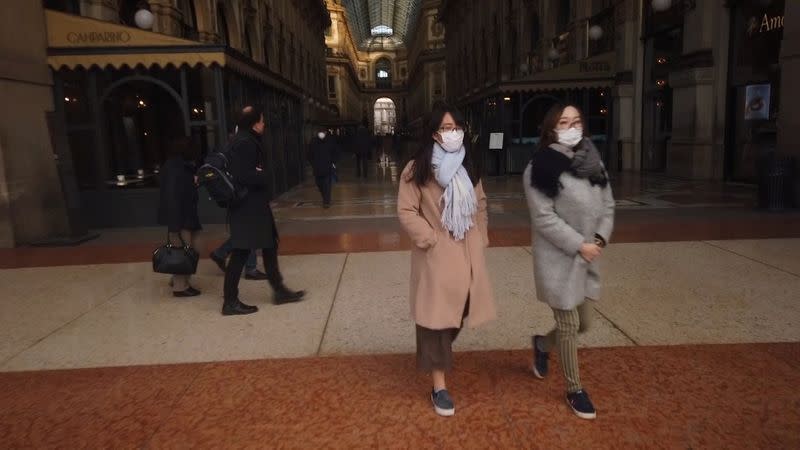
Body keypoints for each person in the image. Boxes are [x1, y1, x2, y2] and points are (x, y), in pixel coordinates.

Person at [397, 103, 496, 417]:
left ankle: (434, 352)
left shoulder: (469, 165)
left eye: (456, 128)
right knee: (435, 319)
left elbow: (480, 203)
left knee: (463, 306)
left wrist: (481, 236)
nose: (452, 134)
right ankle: (439, 384)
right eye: (445, 128)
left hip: (467, 251)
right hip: (437, 255)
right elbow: (406, 210)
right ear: (433, 133)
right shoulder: (418, 169)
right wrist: (430, 239)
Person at [523, 104, 615, 420]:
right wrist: (579, 245)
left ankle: (541, 345)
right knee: (570, 324)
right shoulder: (541, 166)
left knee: (585, 322)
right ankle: (574, 389)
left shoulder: (593, 160)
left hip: (587, 257)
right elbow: (543, 217)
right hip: (559, 259)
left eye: (577, 121)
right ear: (551, 129)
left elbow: (608, 204)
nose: (572, 126)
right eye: (564, 122)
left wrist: (600, 238)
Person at [222, 105, 305, 316]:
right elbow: (244, 175)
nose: (264, 123)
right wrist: (264, 174)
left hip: (254, 205)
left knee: (269, 245)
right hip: (247, 207)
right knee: (240, 252)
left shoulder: (244, 139)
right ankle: (230, 301)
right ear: (254, 124)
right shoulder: (245, 143)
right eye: (261, 120)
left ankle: (279, 290)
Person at [208, 128, 266, 280]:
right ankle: (249, 268)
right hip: (241, 196)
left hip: (238, 196)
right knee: (250, 231)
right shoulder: (237, 150)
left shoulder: (229, 148)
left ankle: (222, 254)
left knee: (248, 230)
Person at [157, 137, 202, 297]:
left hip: (187, 215)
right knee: (183, 252)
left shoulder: (181, 166)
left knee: (190, 250)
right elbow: (172, 196)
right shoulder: (176, 168)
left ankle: (179, 279)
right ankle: (180, 287)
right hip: (181, 218)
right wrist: (174, 226)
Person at [308, 128, 339, 208]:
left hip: (327, 167)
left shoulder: (330, 141)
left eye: (323, 132)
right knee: (319, 184)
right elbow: (309, 154)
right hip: (317, 167)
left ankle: (326, 201)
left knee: (327, 185)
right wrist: (313, 163)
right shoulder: (313, 141)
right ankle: (325, 198)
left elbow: (335, 152)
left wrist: (333, 162)